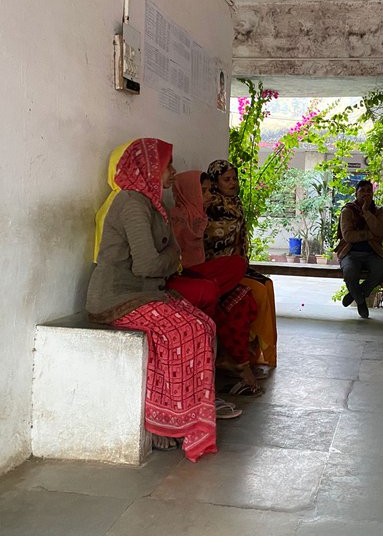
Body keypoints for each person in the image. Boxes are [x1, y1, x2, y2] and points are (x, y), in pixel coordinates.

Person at [86, 138, 217, 462]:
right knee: (184, 330)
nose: (172, 172)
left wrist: (171, 256)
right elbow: (150, 263)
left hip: (143, 293)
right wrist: (171, 258)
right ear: (149, 169)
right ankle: (165, 423)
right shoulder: (131, 203)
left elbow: (172, 253)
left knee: (203, 324)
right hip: (117, 298)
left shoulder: (151, 203)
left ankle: (181, 417)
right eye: (167, 165)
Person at [171, 170, 263, 395]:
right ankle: (239, 366)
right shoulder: (178, 218)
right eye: (202, 191)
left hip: (203, 275)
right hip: (184, 277)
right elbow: (173, 260)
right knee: (227, 277)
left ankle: (232, 360)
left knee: (242, 296)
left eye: (209, 190)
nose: (209, 195)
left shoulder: (201, 215)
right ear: (190, 192)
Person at [204, 159, 278, 368]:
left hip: (236, 265)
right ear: (215, 181)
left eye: (234, 178)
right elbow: (212, 239)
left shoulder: (235, 203)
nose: (233, 183)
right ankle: (246, 353)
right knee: (259, 292)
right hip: (218, 268)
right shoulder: (212, 206)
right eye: (226, 179)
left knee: (267, 285)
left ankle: (259, 352)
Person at [334, 179, 383, 319]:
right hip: (350, 253)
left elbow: (380, 231)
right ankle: (360, 301)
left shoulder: (379, 211)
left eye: (368, 191)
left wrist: (366, 212)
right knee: (350, 273)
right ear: (356, 193)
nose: (365, 194)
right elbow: (348, 236)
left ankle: (356, 295)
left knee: (381, 270)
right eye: (362, 191)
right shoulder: (348, 211)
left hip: (373, 252)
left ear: (373, 193)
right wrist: (371, 234)